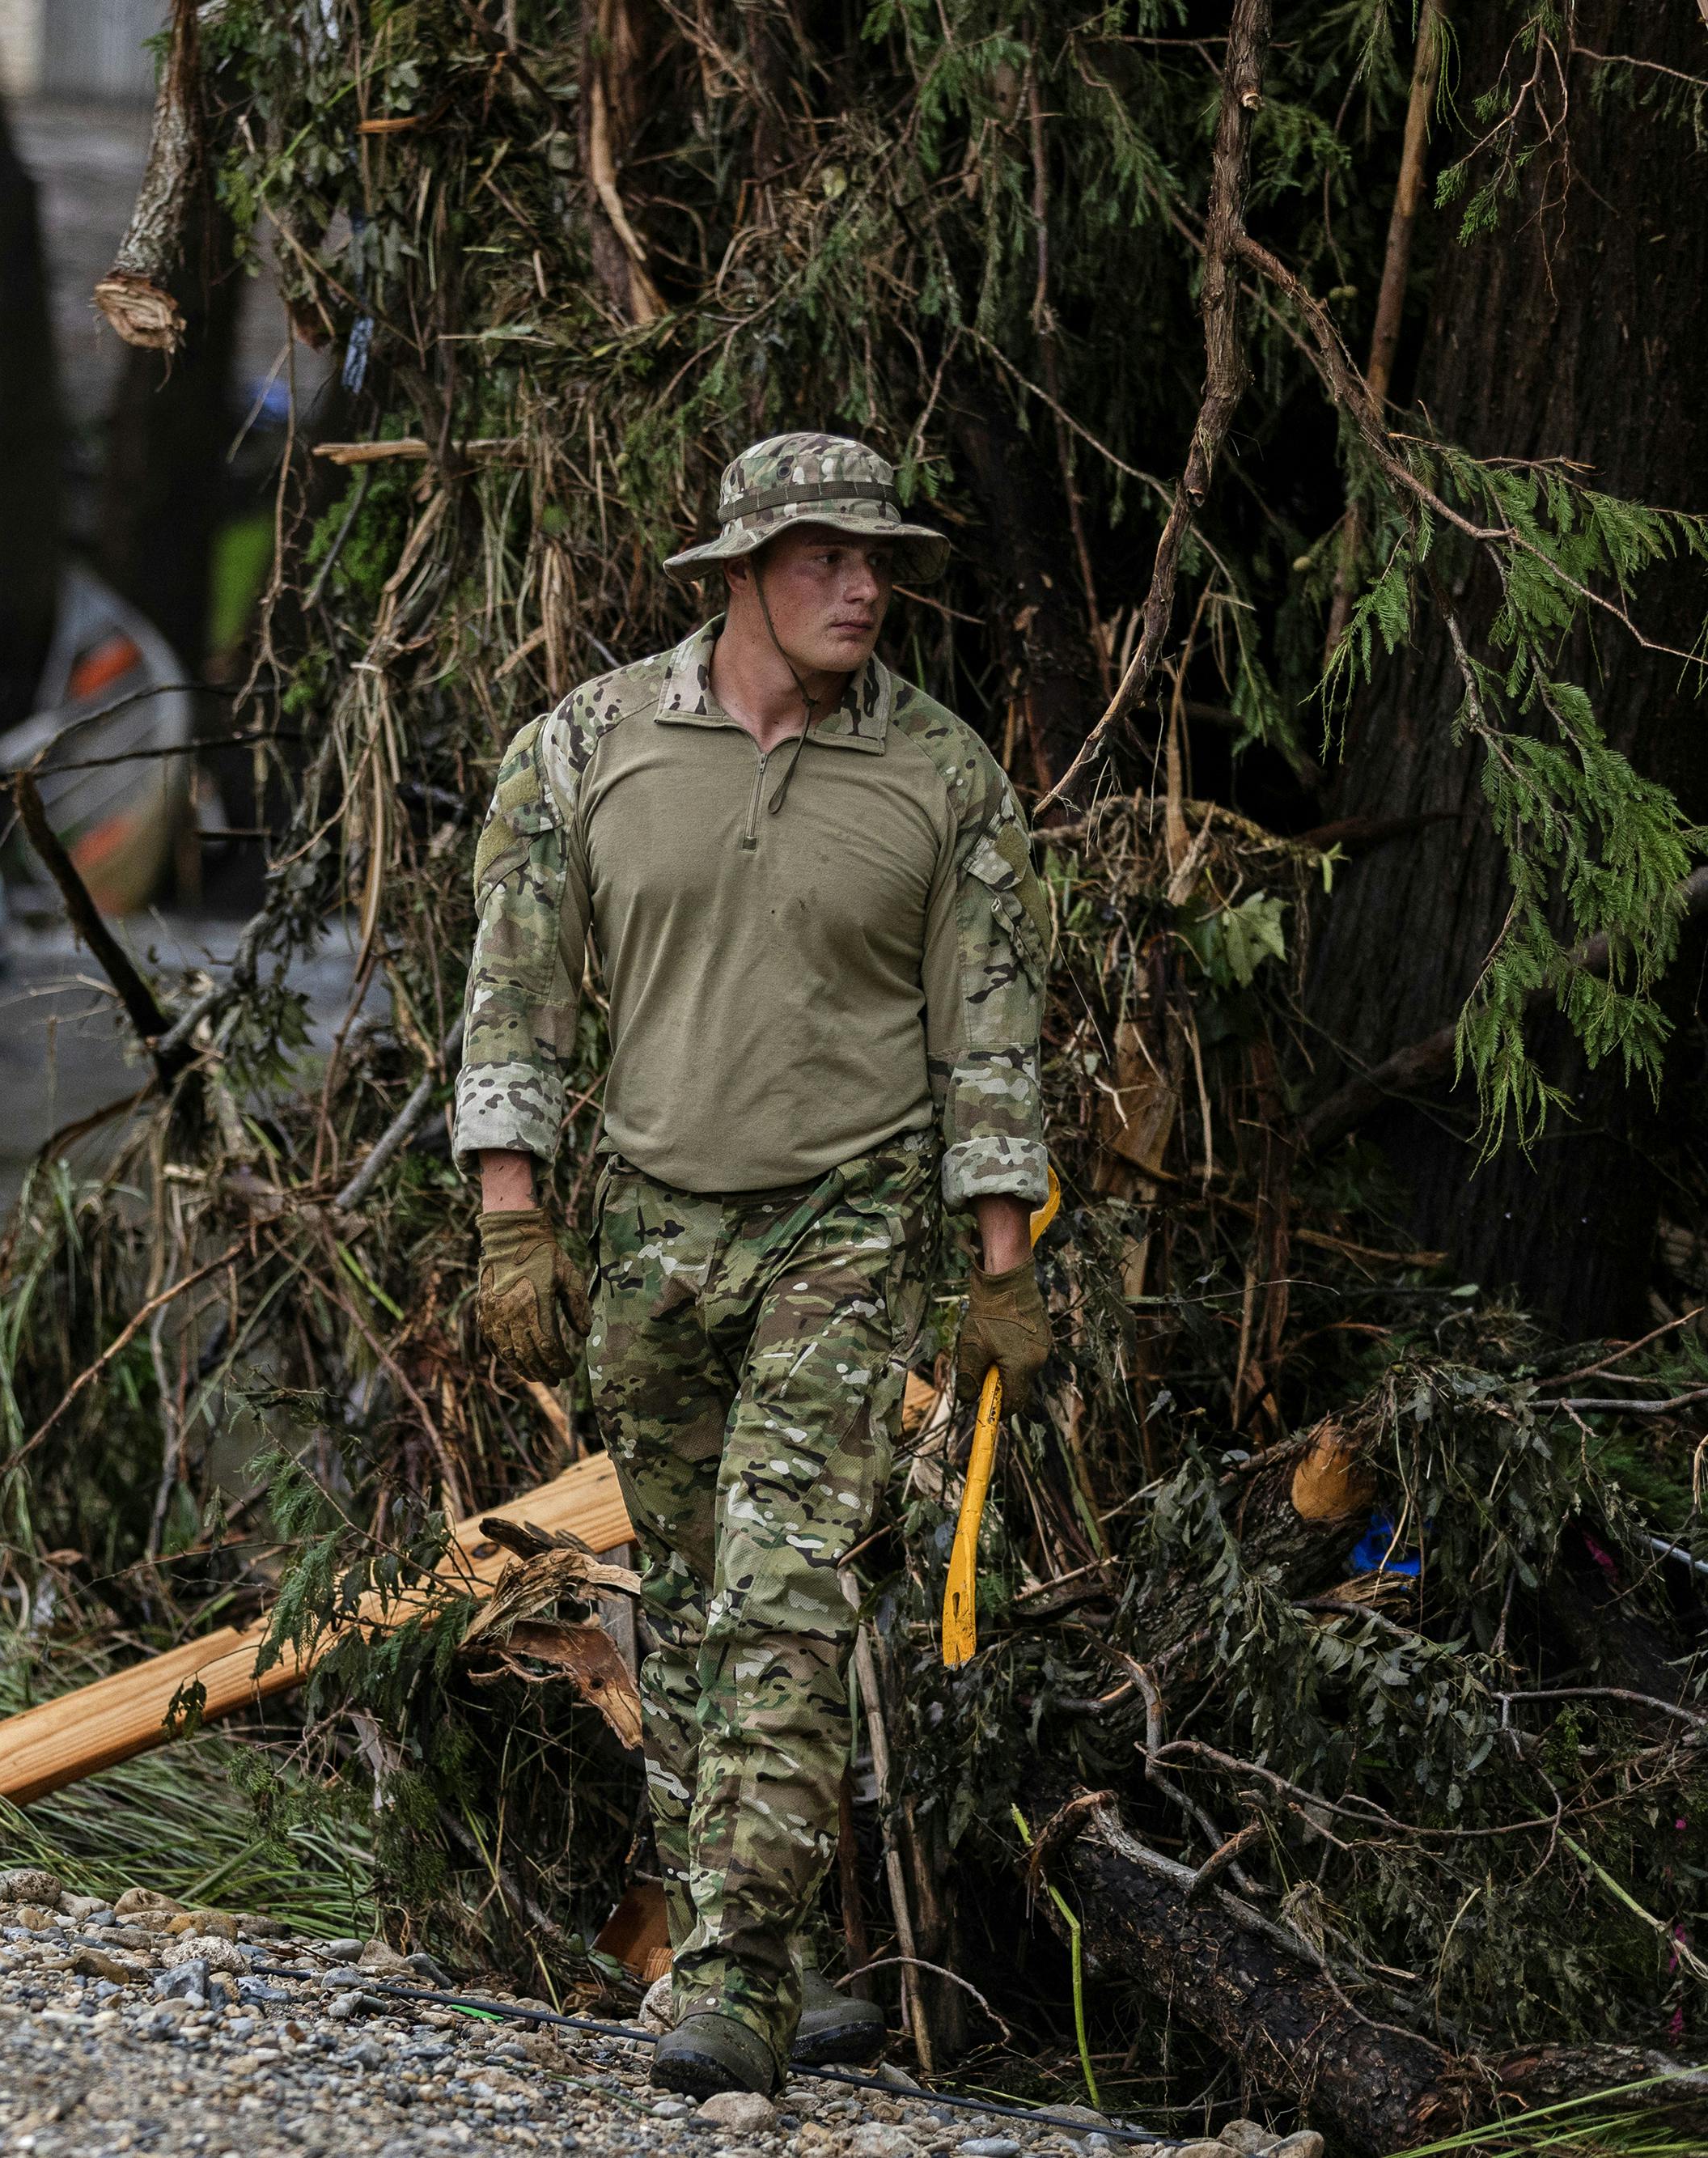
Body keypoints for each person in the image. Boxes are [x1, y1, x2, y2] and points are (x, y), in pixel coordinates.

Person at [452, 432, 1053, 2097]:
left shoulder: (938, 775)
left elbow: (989, 1032)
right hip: (650, 1214)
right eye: (820, 557)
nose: (861, 586)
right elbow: (516, 991)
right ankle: (765, 1956)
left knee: (788, 1572)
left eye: (876, 561)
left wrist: (997, 1259)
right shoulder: (583, 745)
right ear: (731, 575)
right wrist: (514, 1215)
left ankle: (722, 1985)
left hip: (845, 1222)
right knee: (701, 1593)